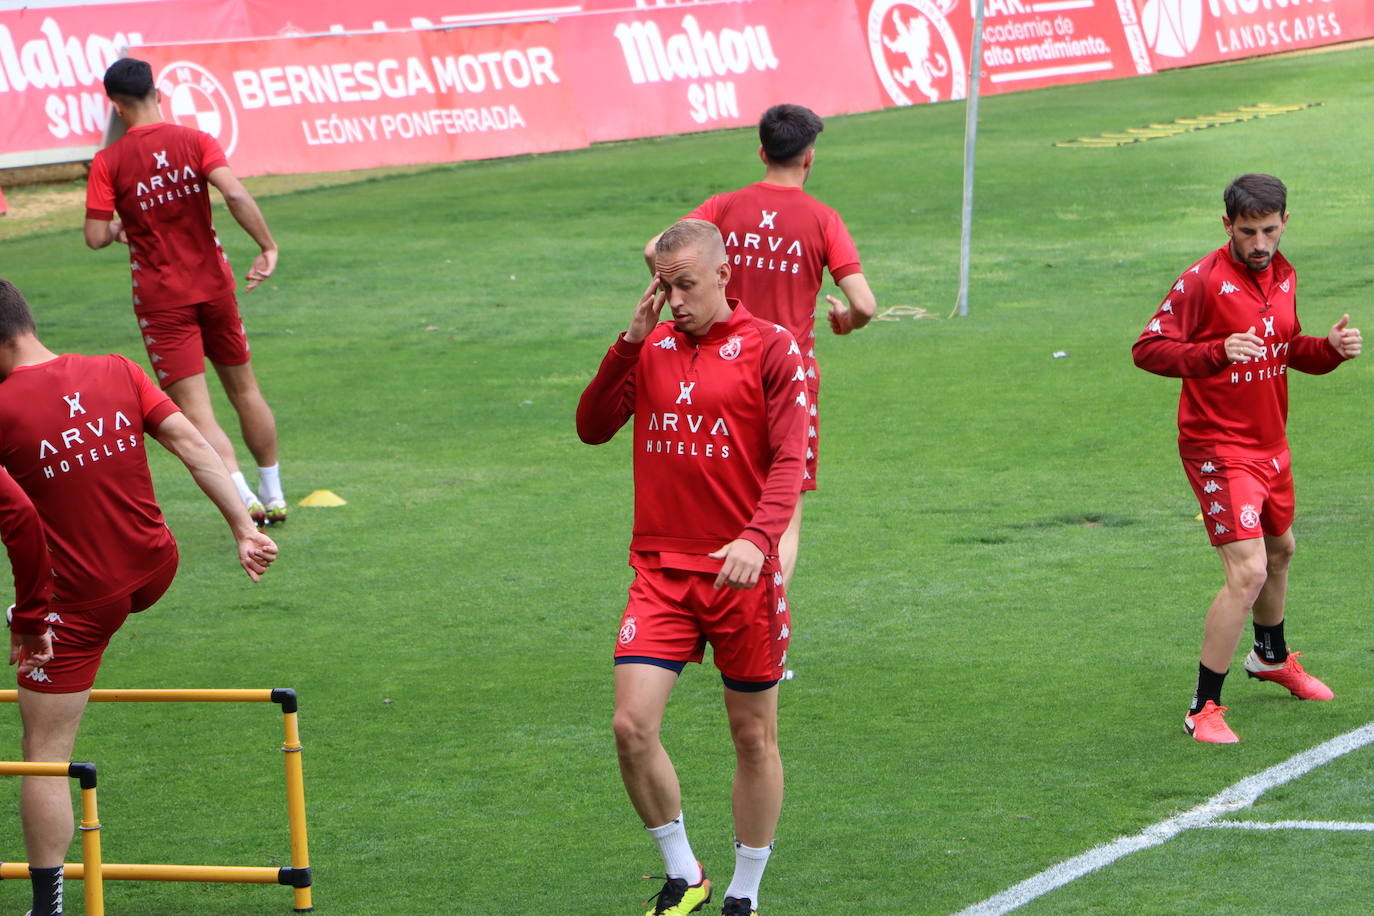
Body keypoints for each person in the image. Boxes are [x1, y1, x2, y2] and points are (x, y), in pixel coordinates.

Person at [0, 278, 278, 916]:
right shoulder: (116, 368)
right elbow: (190, 443)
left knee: (43, 757)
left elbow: (16, 521)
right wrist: (243, 528)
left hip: (83, 598)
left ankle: (47, 907)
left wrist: (34, 616)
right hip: (156, 564)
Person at [579, 221, 808, 916]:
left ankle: (745, 889)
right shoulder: (648, 349)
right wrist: (627, 341)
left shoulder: (770, 347)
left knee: (751, 735)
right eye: (664, 287)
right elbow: (592, 426)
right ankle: (686, 873)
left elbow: (791, 462)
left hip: (740, 577)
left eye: (685, 286)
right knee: (630, 728)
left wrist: (757, 539)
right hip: (660, 573)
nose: (675, 300)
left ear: (721, 275)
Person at [1132, 174, 1361, 744]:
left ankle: (1270, 657)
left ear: (1285, 222)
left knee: (1281, 550)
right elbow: (1148, 349)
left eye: (1270, 230)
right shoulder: (1202, 281)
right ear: (1226, 226)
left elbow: (1284, 349)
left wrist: (1328, 352)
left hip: (1270, 444)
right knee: (1248, 570)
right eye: (1248, 232)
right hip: (1218, 446)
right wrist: (1215, 351)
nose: (1260, 244)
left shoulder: (1283, 274)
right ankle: (1202, 708)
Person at [644, 103, 877, 588]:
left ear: (761, 151)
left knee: (727, 494)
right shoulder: (822, 219)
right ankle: (769, 639)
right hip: (784, 377)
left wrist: (679, 294)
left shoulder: (724, 207)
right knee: (784, 505)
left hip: (720, 371)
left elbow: (654, 248)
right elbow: (866, 305)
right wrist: (847, 321)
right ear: (809, 157)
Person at [83, 56, 287, 528]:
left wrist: (120, 226)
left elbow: (94, 236)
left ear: (115, 106)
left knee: (197, 410)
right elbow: (235, 195)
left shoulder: (108, 161)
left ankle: (242, 499)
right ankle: (273, 493)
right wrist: (267, 246)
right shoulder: (195, 140)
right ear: (158, 93)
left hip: (162, 302)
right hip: (216, 287)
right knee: (246, 391)